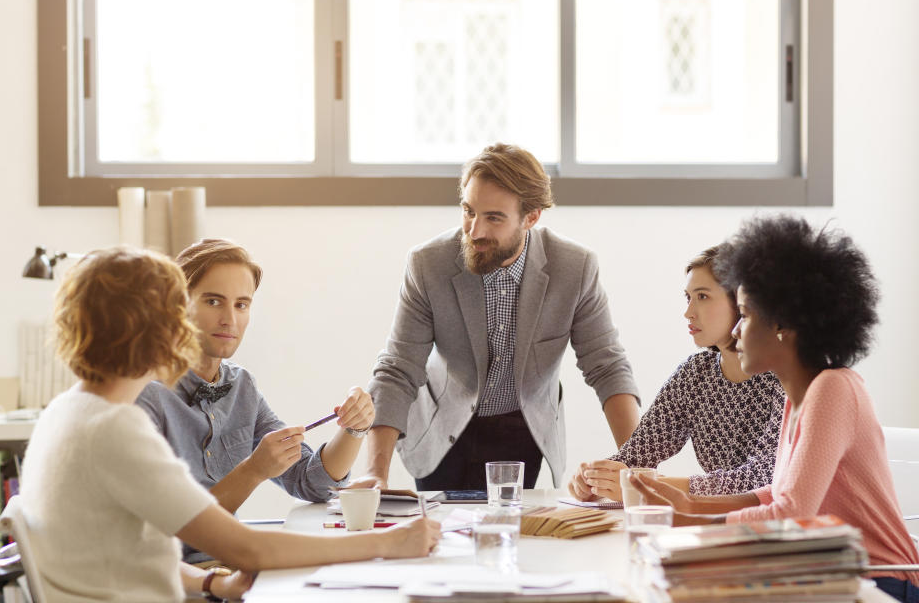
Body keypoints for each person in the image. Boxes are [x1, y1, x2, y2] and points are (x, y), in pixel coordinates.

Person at [19, 247, 440, 602]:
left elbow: (131, 552)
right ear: (157, 329)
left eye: (241, 304)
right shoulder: (117, 428)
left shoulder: (67, 412)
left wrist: (212, 583)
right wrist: (389, 543)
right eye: (181, 313)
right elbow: (246, 548)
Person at [629, 216, 919, 602]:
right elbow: (776, 495)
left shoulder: (833, 389)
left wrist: (695, 517)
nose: (735, 332)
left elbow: (790, 513)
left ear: (782, 324)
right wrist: (690, 504)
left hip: (878, 581)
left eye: (745, 315)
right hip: (824, 573)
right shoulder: (799, 394)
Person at [360, 143, 641, 491]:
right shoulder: (427, 264)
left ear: (531, 217)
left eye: (494, 217)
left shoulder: (575, 268)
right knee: (443, 540)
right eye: (468, 211)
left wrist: (636, 467)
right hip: (442, 431)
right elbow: (398, 370)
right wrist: (376, 474)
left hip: (524, 433)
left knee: (516, 539)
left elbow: (607, 367)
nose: (475, 230)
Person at [136, 239, 374, 562]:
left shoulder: (242, 387)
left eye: (241, 305)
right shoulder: (145, 396)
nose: (229, 320)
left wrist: (354, 429)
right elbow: (166, 530)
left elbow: (311, 482)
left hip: (232, 566)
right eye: (213, 301)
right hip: (175, 581)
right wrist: (253, 470)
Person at [568, 246, 785, 502]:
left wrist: (654, 486)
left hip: (777, 525)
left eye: (702, 297)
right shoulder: (694, 375)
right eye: (688, 298)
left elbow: (764, 478)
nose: (688, 312)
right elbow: (636, 455)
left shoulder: (783, 376)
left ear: (741, 302)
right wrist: (595, 477)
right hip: (715, 522)